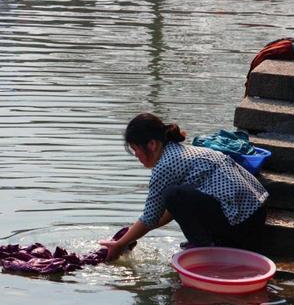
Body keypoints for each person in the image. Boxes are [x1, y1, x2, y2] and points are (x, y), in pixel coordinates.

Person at [99, 112, 268, 261]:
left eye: (136, 149)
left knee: (173, 194)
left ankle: (205, 248)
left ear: (152, 144)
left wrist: (120, 244)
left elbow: (151, 217)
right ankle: (205, 242)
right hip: (256, 213)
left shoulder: (166, 165)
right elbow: (166, 212)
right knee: (175, 196)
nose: (136, 155)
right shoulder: (180, 151)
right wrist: (130, 234)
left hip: (242, 224)